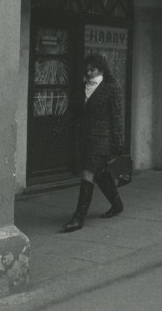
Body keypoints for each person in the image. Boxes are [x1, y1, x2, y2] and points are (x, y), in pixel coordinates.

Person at [63, 53, 126, 232]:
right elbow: (74, 111)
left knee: (87, 173)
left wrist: (119, 143)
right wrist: (60, 129)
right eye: (88, 69)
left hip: (101, 140)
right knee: (100, 173)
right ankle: (117, 203)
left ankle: (78, 218)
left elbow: (117, 117)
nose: (89, 72)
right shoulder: (83, 87)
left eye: (94, 69)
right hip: (84, 139)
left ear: (102, 69)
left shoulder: (111, 88)